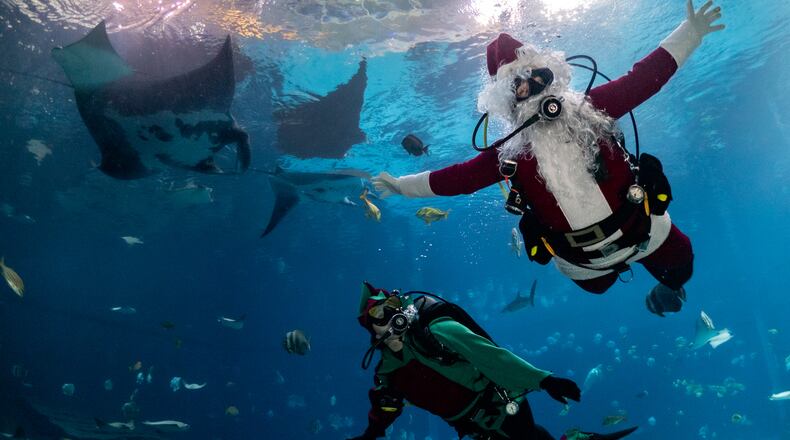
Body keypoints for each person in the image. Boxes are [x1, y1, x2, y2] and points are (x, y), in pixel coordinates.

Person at [372, 0, 724, 317]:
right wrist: (402, 186)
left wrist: (689, 32)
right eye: (522, 86)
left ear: (553, 75)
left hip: (643, 226)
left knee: (682, 268)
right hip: (583, 263)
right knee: (598, 287)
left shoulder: (592, 106)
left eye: (539, 77)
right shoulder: (510, 152)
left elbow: (643, 81)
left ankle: (665, 285)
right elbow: (457, 179)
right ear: (507, 100)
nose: (536, 89)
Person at [349, 282, 638, 440]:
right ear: (369, 327)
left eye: (392, 307)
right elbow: (386, 404)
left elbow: (491, 357)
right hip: (472, 427)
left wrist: (544, 380)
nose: (389, 315)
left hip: (501, 406)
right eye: (379, 314)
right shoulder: (388, 370)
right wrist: (371, 434)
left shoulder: (435, 331)